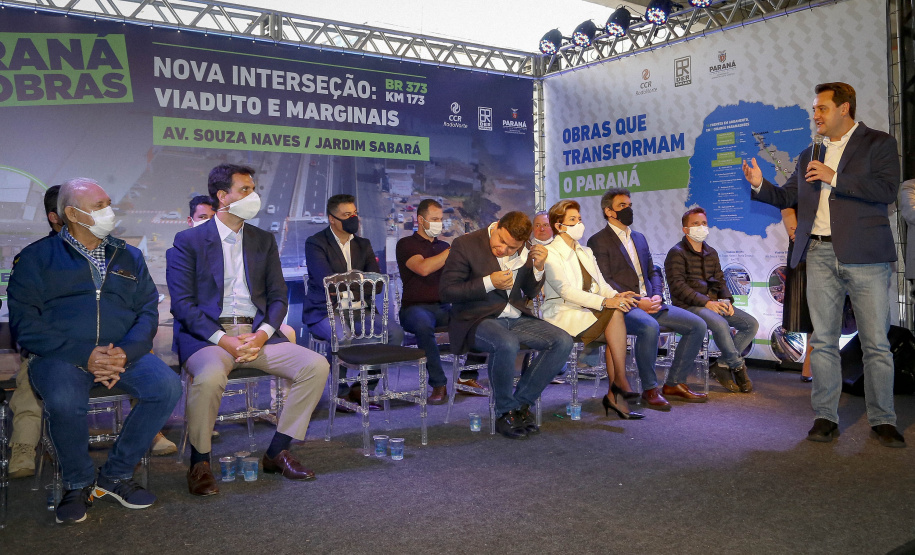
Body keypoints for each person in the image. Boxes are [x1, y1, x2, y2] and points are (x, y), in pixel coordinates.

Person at [8, 178, 182, 524]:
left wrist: (125, 353)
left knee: (166, 387)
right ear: (71, 213)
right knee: (62, 399)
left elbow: (148, 310)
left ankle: (115, 475)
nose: (109, 211)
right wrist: (84, 354)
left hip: (122, 354)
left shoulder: (128, 255)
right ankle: (77, 482)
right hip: (60, 357)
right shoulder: (36, 258)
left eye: (108, 203)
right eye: (99, 206)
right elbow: (25, 325)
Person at [745, 82, 904, 447]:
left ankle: (883, 420)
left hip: (866, 254)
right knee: (824, 341)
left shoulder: (878, 143)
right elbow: (787, 195)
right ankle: (825, 417)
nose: (815, 115)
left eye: (822, 108)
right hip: (818, 254)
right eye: (814, 109)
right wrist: (758, 185)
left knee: (876, 343)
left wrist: (836, 178)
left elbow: (885, 191)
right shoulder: (809, 154)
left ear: (844, 108)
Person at [167, 164, 330, 496]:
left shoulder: (262, 240)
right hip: (209, 338)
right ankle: (200, 461)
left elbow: (277, 296)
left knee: (316, 366)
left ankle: (278, 451)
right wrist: (224, 339)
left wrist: (262, 334)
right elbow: (183, 305)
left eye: (253, 189)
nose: (253, 196)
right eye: (244, 190)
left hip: (257, 336)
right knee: (210, 377)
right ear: (222, 196)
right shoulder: (189, 241)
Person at [440, 211, 573, 440]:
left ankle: (519, 405)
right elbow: (447, 291)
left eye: (513, 248)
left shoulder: (525, 248)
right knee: (506, 343)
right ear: (498, 226)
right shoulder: (465, 244)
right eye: (502, 241)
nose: (504, 250)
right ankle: (503, 411)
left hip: (514, 316)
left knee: (562, 341)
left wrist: (539, 267)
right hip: (476, 319)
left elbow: (530, 291)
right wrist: (489, 282)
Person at [588, 188, 709, 410]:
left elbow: (653, 271)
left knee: (698, 325)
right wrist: (637, 301)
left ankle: (673, 383)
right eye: (622, 206)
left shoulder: (639, 238)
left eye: (629, 205)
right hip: (624, 306)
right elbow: (604, 281)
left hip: (651, 301)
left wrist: (656, 295)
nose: (628, 209)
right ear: (608, 211)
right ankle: (650, 389)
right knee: (650, 327)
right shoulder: (598, 241)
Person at [541, 200, 644, 419]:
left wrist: (616, 295)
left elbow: (601, 285)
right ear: (558, 226)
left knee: (615, 318)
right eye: (572, 220)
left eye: (579, 219)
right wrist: (606, 302)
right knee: (614, 317)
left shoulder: (586, 251)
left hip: (589, 310)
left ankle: (617, 390)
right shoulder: (550, 252)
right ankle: (619, 386)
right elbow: (565, 291)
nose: (579, 224)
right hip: (563, 312)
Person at [301, 194, 403, 409]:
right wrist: (359, 280)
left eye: (354, 213)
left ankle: (363, 387)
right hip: (325, 311)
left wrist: (347, 283)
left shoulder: (363, 244)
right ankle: (341, 393)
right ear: (332, 219)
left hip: (360, 309)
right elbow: (327, 282)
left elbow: (377, 283)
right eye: (347, 215)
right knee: (342, 335)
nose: (353, 218)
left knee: (395, 334)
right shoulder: (316, 243)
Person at [665, 207, 759, 394]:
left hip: (714, 304)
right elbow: (678, 287)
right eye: (695, 224)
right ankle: (738, 367)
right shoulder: (676, 253)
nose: (701, 227)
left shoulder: (712, 252)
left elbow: (720, 279)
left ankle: (722, 365)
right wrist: (706, 302)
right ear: (685, 229)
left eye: (704, 223)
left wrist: (726, 300)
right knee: (720, 323)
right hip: (688, 306)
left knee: (751, 324)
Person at [395, 199, 480, 403]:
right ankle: (438, 383)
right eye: (434, 219)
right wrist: (454, 249)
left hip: (443, 307)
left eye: (441, 219)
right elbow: (423, 268)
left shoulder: (443, 246)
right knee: (424, 326)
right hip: (414, 309)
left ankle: (468, 377)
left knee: (479, 319)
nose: (438, 223)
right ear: (421, 220)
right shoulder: (406, 244)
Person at [8, 185, 61, 479]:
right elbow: (26, 319)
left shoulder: (103, 254)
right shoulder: (33, 257)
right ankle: (24, 447)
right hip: (48, 348)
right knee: (30, 384)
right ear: (55, 216)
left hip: (98, 344)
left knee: (139, 364)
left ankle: (150, 434)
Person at [779, 206, 814, 381]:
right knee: (806, 306)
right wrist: (795, 232)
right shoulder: (799, 180)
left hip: (834, 242)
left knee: (828, 307)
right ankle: (810, 360)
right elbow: (786, 202)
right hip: (803, 244)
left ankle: (821, 360)